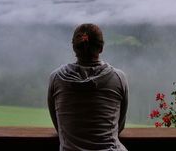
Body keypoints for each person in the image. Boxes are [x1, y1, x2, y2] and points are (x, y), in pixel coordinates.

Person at [48, 23, 128, 151]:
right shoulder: (118, 78)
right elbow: (120, 125)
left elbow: (59, 126)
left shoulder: (56, 78)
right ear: (101, 48)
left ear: (74, 47)